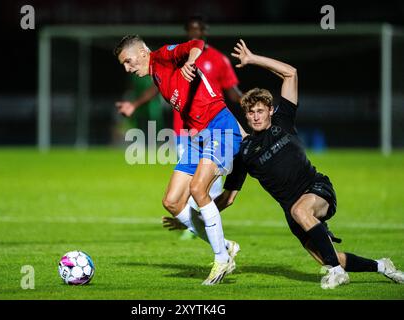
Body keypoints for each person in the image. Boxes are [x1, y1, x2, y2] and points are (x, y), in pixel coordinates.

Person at [163, 39, 404, 290]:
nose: (255, 116)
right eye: (250, 113)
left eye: (260, 110)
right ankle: (381, 266)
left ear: (270, 110)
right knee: (330, 257)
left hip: (317, 190)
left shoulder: (283, 121)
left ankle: (335, 273)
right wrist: (193, 218)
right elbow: (228, 198)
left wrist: (253, 59)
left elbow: (291, 73)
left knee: (304, 216)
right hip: (294, 213)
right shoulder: (243, 152)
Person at [114, 35, 243, 285]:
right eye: (123, 65)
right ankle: (225, 245)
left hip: (220, 127)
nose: (128, 68)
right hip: (199, 136)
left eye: (128, 61)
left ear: (142, 52)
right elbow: (186, 103)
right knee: (172, 201)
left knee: (197, 189)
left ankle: (221, 259)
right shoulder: (156, 75)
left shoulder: (164, 55)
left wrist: (190, 62)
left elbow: (197, 43)